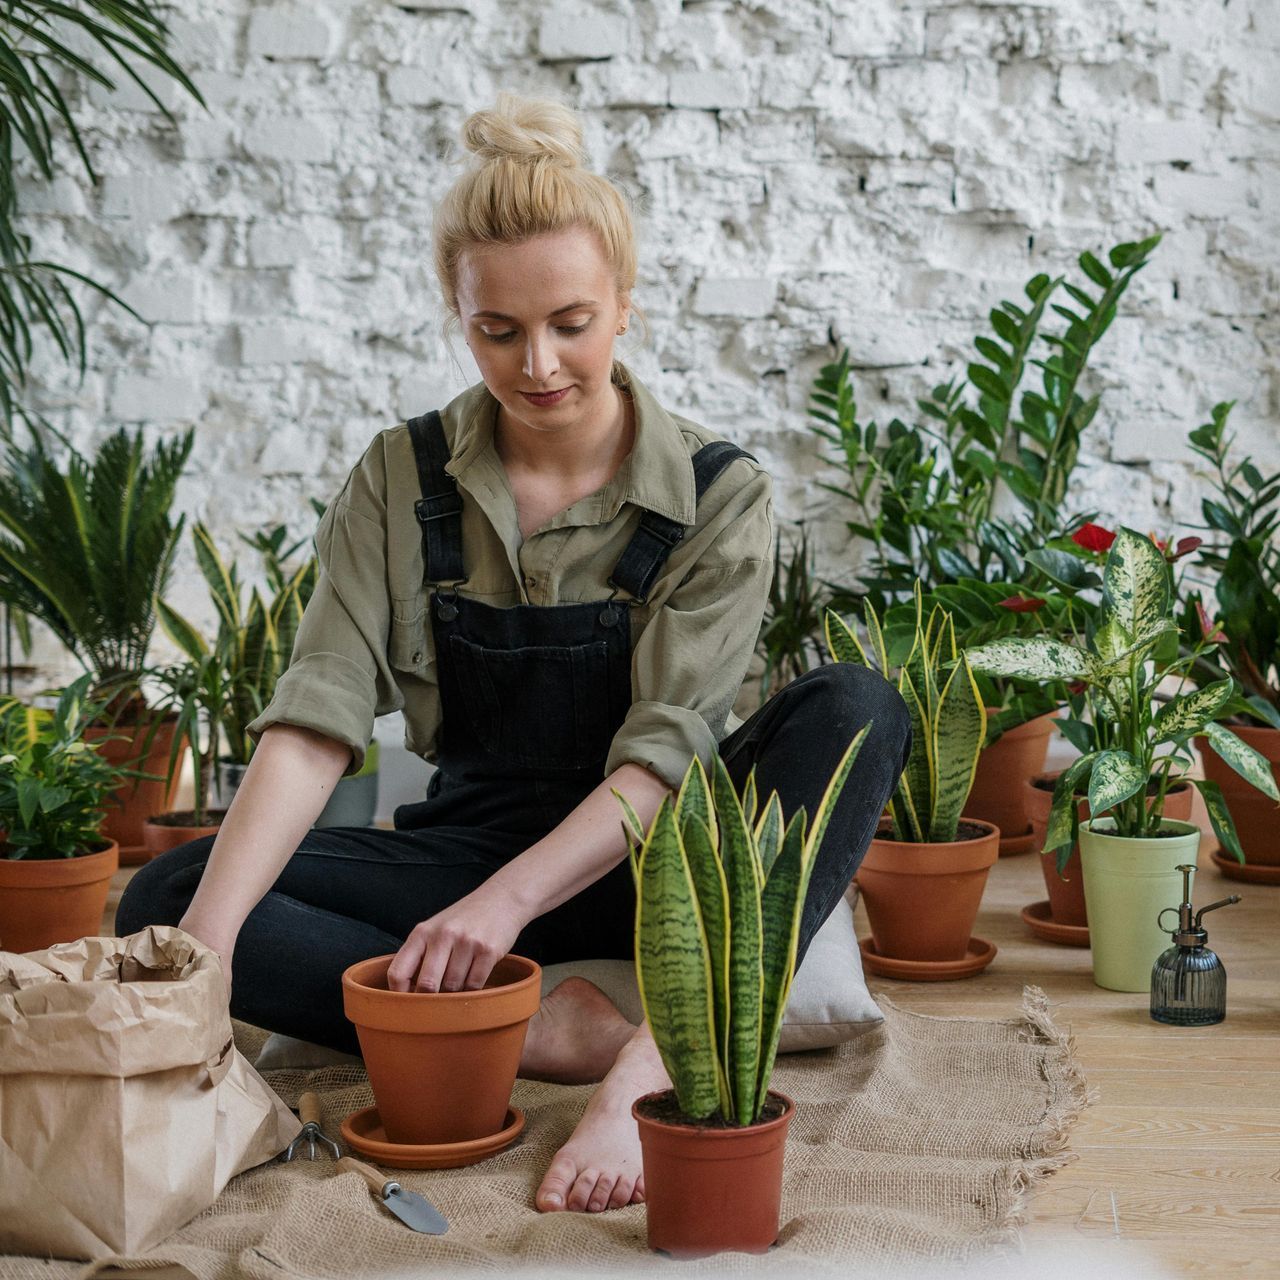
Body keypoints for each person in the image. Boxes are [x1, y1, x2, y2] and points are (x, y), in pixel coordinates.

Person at [118, 92, 912, 1217]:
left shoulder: (717, 495)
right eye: (498, 330)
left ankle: (653, 1062)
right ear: (457, 313)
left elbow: (660, 761)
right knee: (168, 893)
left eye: (571, 322)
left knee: (859, 703)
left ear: (625, 307)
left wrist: (495, 911)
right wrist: (201, 957)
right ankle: (542, 1027)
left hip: (662, 861)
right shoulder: (401, 477)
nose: (537, 363)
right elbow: (315, 721)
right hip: (469, 842)